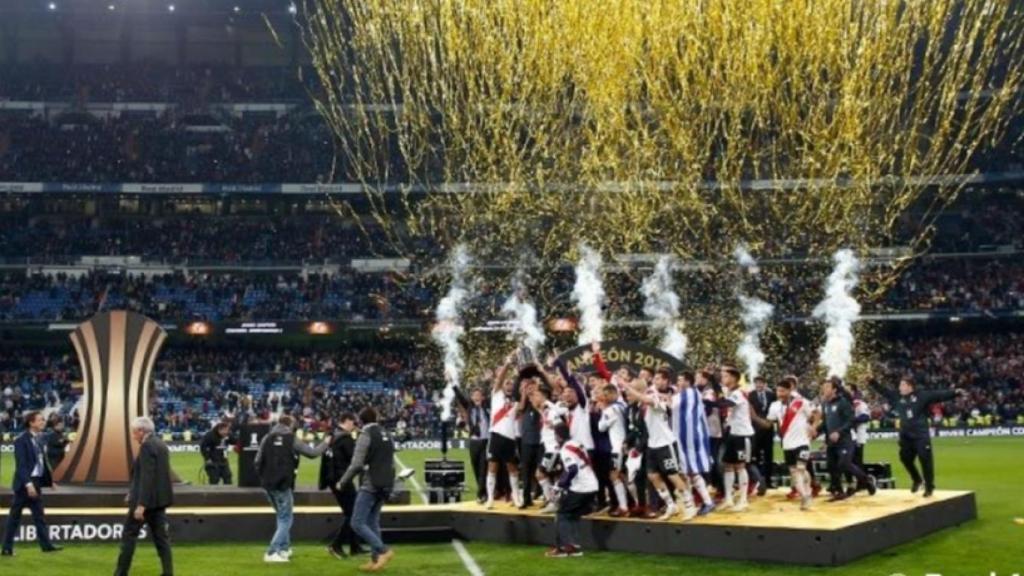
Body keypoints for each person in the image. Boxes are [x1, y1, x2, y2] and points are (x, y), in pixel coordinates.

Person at [869, 376, 965, 497]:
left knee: (925, 460)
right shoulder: (898, 397)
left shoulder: (922, 396)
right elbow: (884, 391)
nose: (900, 388)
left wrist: (955, 392)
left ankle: (929, 487)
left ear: (910, 386)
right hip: (905, 435)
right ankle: (917, 479)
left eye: (902, 385)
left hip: (920, 435)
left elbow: (939, 395)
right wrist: (872, 381)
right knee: (905, 458)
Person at [624, 368, 698, 521]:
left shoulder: (655, 399)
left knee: (673, 475)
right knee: (652, 475)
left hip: (666, 443)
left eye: (631, 392)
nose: (628, 395)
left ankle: (690, 506)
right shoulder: (638, 406)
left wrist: (625, 384)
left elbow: (647, 399)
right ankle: (671, 505)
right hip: (653, 445)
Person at [255, 413, 331, 563]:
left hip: (268, 484)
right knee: (286, 518)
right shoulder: (291, 439)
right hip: (283, 483)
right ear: (290, 425)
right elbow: (312, 453)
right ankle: (272, 551)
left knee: (281, 516)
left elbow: (257, 461)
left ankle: (284, 548)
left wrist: (265, 477)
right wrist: (326, 443)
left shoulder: (267, 438)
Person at [336, 406, 397, 572]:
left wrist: (342, 481)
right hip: (386, 482)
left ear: (361, 421)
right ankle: (375, 560)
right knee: (372, 522)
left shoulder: (366, 434)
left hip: (371, 483)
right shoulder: (386, 433)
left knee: (357, 522)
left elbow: (356, 464)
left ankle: (383, 550)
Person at [114, 417, 173, 576]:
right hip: (159, 502)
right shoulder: (161, 444)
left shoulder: (147, 446)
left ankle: (121, 572)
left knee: (129, 536)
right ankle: (168, 572)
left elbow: (147, 477)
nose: (133, 436)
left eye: (134, 432)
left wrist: (141, 504)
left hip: (146, 502)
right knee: (162, 540)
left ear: (142, 431)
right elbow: (157, 476)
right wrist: (132, 491)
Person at [2, 411, 62, 557]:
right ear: (31, 422)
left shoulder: (39, 439)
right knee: (15, 517)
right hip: (24, 485)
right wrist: (28, 485)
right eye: (40, 420)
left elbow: (41, 462)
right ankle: (7, 548)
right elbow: (21, 466)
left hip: (36, 483)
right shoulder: (21, 440)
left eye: (43, 420)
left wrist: (49, 482)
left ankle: (46, 546)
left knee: (39, 516)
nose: (43, 422)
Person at [759, 376, 816, 510]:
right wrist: (753, 417)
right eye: (778, 391)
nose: (780, 394)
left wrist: (813, 428)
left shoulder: (801, 402)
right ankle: (807, 491)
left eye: (783, 391)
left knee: (800, 469)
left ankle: (805, 496)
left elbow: (816, 414)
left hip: (802, 442)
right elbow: (768, 424)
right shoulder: (774, 406)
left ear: (790, 390)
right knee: (795, 471)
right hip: (787, 444)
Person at [816, 378, 876, 501]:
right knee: (831, 466)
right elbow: (826, 423)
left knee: (844, 463)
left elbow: (850, 421)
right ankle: (839, 491)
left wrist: (839, 432)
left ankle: (866, 479)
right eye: (823, 387)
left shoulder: (843, 403)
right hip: (831, 441)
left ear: (834, 390)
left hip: (845, 440)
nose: (824, 389)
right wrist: (815, 431)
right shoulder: (825, 404)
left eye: (827, 387)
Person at [545, 423, 598, 558]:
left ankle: (563, 548)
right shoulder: (576, 443)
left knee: (562, 514)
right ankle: (574, 547)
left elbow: (573, 469)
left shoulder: (566, 450)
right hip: (592, 486)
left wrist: (560, 486)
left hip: (582, 487)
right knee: (572, 516)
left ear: (558, 436)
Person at [320, 412, 364, 559]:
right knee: (353, 513)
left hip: (333, 479)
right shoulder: (345, 438)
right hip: (342, 480)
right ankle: (336, 545)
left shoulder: (333, 435)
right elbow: (354, 458)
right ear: (347, 421)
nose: (355, 426)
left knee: (350, 512)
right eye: (353, 422)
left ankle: (354, 546)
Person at [673, 371, 716, 515]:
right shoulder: (690, 393)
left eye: (680, 380)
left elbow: (673, 404)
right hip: (687, 438)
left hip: (691, 438)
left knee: (691, 470)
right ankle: (701, 501)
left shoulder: (690, 393)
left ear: (687, 382)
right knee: (688, 472)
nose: (678, 383)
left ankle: (707, 502)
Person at [484, 355, 523, 509]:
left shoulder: (515, 400)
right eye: (506, 382)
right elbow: (499, 379)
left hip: (510, 438)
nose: (508, 385)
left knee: (512, 469)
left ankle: (516, 496)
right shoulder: (496, 395)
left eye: (510, 384)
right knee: (492, 468)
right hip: (495, 435)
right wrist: (507, 363)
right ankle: (490, 499)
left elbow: (520, 411)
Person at [718, 366, 754, 512]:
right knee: (728, 464)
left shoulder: (739, 393)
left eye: (725, 376)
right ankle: (728, 499)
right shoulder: (730, 391)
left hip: (742, 434)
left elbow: (727, 404)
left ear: (733, 377)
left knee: (740, 466)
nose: (722, 379)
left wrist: (712, 403)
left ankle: (744, 500)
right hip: (732, 434)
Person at [453, 384, 490, 503]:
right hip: (474, 442)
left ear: (483, 397)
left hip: (485, 441)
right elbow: (460, 397)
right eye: (474, 395)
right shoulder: (469, 407)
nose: (477, 397)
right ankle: (483, 492)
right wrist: (454, 385)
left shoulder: (487, 406)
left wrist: (487, 381)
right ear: (472, 398)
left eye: (479, 395)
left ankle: (481, 494)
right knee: (475, 468)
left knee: (483, 469)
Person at [597, 383, 629, 517]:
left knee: (614, 475)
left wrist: (604, 411)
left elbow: (601, 428)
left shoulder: (610, 410)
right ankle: (634, 504)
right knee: (623, 476)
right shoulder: (623, 406)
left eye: (606, 395)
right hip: (625, 445)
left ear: (613, 393)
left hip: (617, 447)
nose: (604, 398)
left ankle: (624, 507)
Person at [749, 376, 776, 495]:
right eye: (757, 383)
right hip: (755, 430)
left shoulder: (771, 395)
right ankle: (757, 481)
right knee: (755, 456)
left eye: (761, 383)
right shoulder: (750, 395)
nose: (759, 385)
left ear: (765, 384)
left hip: (769, 430)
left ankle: (768, 480)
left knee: (769, 455)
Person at [200, 421, 233, 485]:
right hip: (212, 462)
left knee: (228, 478)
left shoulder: (227, 435)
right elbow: (203, 447)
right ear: (219, 429)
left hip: (223, 461)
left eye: (227, 430)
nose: (226, 432)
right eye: (225, 431)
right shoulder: (209, 435)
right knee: (214, 479)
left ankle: (228, 494)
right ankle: (212, 494)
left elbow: (234, 441)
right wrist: (207, 458)